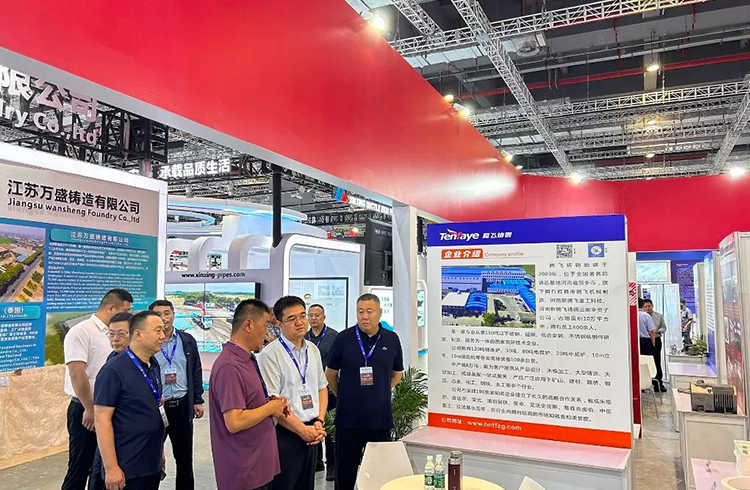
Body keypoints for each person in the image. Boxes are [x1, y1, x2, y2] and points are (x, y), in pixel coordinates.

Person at [325, 294, 404, 490]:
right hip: (348, 420)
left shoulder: (391, 339)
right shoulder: (344, 338)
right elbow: (330, 374)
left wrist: (380, 391)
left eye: (369, 311)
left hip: (379, 420)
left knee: (379, 475)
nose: (365, 316)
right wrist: (344, 395)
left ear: (380, 313)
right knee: (345, 474)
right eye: (360, 312)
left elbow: (397, 374)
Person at [209, 299, 290, 490]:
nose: (267, 334)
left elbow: (249, 403)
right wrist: (270, 408)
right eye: (265, 326)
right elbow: (234, 421)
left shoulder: (247, 359)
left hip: (259, 466)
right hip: (244, 472)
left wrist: (271, 403)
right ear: (248, 325)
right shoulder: (229, 366)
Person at [62, 289, 133, 490]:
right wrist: (90, 408)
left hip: (110, 410)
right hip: (86, 410)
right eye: (125, 310)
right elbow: (77, 373)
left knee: (101, 468)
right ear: (110, 308)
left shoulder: (116, 334)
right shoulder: (81, 331)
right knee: (80, 467)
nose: (127, 315)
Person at [259, 297, 328, 490]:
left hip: (313, 430)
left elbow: (322, 387)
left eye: (302, 316)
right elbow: (273, 402)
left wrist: (319, 420)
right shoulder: (270, 355)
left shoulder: (312, 350)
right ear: (279, 324)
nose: (300, 322)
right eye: (292, 318)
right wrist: (302, 431)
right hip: (286, 434)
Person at [93, 311, 167, 490]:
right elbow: (102, 420)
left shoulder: (153, 364)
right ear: (138, 334)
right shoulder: (113, 371)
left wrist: (160, 452)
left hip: (150, 462)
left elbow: (155, 410)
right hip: (127, 466)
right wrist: (111, 468)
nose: (163, 336)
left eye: (163, 331)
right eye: (158, 331)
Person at [149, 299, 205, 490]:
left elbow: (196, 370)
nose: (164, 318)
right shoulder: (148, 343)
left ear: (173, 314)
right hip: (157, 408)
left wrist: (198, 400)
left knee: (184, 458)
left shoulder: (186, 340)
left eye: (167, 313)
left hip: (182, 406)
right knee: (152, 457)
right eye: (158, 314)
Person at [90, 312, 133, 490]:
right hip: (114, 439)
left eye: (121, 334)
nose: (115, 339)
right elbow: (102, 417)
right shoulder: (112, 366)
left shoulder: (146, 362)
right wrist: (110, 467)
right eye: (111, 334)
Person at [305, 304, 339, 481]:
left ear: (324, 317)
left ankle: (331, 464)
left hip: (329, 392)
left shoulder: (334, 337)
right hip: (309, 393)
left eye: (317, 315)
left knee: (330, 429)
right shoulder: (304, 337)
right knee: (312, 425)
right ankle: (316, 462)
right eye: (310, 315)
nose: (313, 318)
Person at [642, 299, 667, 392]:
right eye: (646, 306)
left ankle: (658, 383)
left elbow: (664, 327)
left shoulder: (659, 316)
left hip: (656, 339)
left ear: (652, 306)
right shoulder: (641, 316)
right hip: (646, 340)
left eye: (649, 306)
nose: (647, 308)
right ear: (643, 307)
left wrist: (658, 331)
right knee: (645, 362)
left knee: (657, 361)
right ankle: (644, 383)